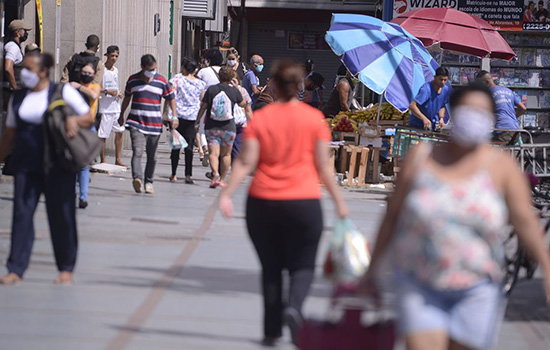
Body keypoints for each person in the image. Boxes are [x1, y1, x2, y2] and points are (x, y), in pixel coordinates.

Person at [361, 84, 550, 350]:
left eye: (482, 112)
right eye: (467, 111)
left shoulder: (501, 167)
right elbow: (392, 215)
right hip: (419, 283)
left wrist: (547, 267)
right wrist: (372, 271)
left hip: (477, 288)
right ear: (453, 112)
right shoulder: (421, 159)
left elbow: (524, 221)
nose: (474, 117)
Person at [218, 60, 349, 347]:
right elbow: (324, 166)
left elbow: (247, 160)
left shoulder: (262, 118)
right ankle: (295, 308)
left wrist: (226, 193)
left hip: (262, 202)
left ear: (273, 85)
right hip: (304, 203)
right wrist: (340, 203)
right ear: (299, 87)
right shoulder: (313, 119)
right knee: (303, 266)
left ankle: (271, 331)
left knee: (271, 267)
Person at [0, 52, 93, 285]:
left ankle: (66, 268)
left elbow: (88, 118)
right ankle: (15, 269)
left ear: (43, 71)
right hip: (25, 163)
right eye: (23, 69)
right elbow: (9, 134)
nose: (24, 74)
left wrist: (73, 120)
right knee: (21, 215)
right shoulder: (18, 97)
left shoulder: (62, 92)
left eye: (29, 69)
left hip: (57, 164)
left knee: (61, 215)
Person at [119, 54, 178, 194]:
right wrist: (121, 114)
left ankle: (149, 182)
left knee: (152, 156)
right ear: (142, 67)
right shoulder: (133, 80)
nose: (152, 72)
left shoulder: (162, 81)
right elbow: (127, 98)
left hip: (154, 124)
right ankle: (137, 179)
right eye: (150, 69)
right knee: (137, 152)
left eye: (154, 69)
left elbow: (171, 98)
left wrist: (174, 117)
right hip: (136, 122)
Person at [195, 66, 244, 188]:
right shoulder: (234, 91)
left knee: (213, 153)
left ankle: (215, 173)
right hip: (229, 127)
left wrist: (197, 121)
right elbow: (242, 103)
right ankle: (222, 179)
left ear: (218, 76)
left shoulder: (211, 90)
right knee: (226, 155)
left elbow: (203, 106)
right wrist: (237, 87)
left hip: (212, 126)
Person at [169, 57, 206, 184]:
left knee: (175, 147)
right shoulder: (201, 84)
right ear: (196, 70)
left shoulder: (176, 79)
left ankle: (173, 174)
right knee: (189, 148)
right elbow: (202, 101)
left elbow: (171, 97)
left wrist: (167, 114)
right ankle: (188, 175)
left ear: (184, 68)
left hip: (177, 117)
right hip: (192, 118)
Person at [72, 62, 101, 209]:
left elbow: (94, 95)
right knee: (72, 164)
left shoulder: (93, 87)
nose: (87, 75)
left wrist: (78, 87)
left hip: (88, 128)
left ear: (94, 76)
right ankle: (72, 194)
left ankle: (83, 196)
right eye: (84, 72)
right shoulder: (71, 87)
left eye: (90, 73)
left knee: (83, 165)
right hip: (73, 127)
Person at [476, 70, 527, 145]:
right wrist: (513, 117)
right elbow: (523, 108)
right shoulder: (508, 91)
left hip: (502, 129)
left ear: (486, 82)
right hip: (514, 129)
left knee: (490, 150)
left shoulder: (488, 93)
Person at [98, 45, 126, 166]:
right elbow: (95, 87)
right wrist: (107, 92)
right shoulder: (101, 70)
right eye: (112, 56)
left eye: (116, 56)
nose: (114, 58)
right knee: (103, 135)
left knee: (119, 131)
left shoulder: (116, 70)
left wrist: (119, 93)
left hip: (116, 106)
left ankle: (118, 158)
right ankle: (103, 159)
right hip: (105, 107)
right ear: (107, 55)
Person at [3, 20, 32, 109]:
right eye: (24, 31)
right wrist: (15, 88)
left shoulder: (13, 45)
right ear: (17, 32)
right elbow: (8, 68)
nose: (26, 33)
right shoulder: (12, 47)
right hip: (9, 92)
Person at [231, 76, 253, 162]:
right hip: (239, 122)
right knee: (236, 147)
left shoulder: (224, 89)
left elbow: (248, 109)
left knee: (231, 147)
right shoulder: (243, 91)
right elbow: (248, 109)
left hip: (229, 123)